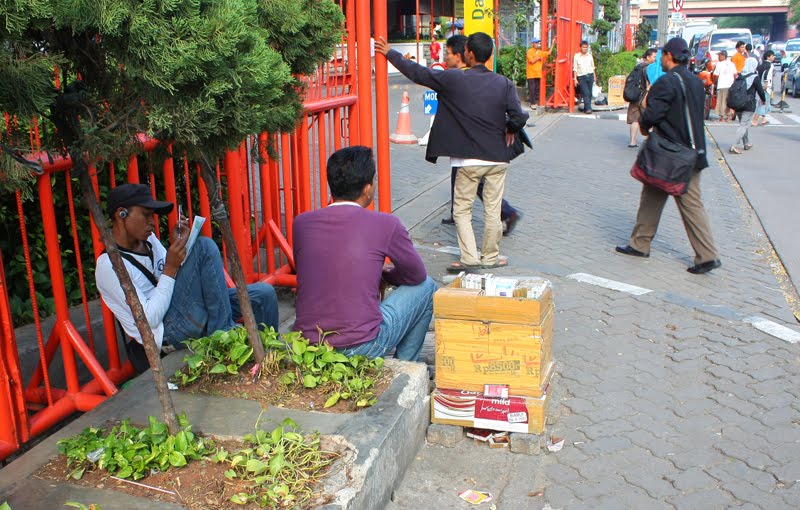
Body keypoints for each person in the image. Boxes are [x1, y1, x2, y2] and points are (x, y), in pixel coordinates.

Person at [376, 33, 529, 273]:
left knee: (462, 210)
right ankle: (491, 257)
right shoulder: (504, 82)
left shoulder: (455, 79)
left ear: (468, 53)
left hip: (469, 160)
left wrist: (390, 54)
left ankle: (469, 258)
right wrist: (510, 128)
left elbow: (418, 73)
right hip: (499, 158)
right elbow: (520, 116)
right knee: (492, 209)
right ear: (489, 55)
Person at [96, 183, 279, 373]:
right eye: (146, 214)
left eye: (153, 215)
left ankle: (268, 360)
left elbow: (173, 281)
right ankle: (223, 340)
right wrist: (170, 266)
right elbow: (148, 318)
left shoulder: (148, 241)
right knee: (204, 247)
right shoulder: (109, 265)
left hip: (181, 312)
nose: (152, 222)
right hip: (165, 333)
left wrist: (178, 247)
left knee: (263, 295)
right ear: (121, 214)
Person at [292, 146, 436, 361]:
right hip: (360, 346)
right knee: (427, 286)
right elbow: (416, 275)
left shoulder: (301, 223)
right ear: (368, 188)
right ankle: (407, 366)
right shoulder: (386, 223)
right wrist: (386, 274)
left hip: (308, 344)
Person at [616, 37, 721, 275]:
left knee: (689, 203)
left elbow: (652, 117)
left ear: (669, 57)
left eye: (663, 55)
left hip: (672, 155)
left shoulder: (667, 83)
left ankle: (707, 255)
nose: (660, 60)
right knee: (652, 195)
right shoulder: (695, 81)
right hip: (692, 151)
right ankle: (639, 243)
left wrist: (643, 116)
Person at [441, 34, 523, 236]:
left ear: (463, 54)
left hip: (474, 149)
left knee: (474, 187)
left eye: (448, 53)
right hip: (483, 151)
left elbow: (518, 116)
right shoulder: (495, 81)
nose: (445, 57)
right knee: (477, 188)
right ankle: (491, 243)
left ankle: (506, 213)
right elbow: (518, 114)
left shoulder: (462, 79)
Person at [729, 57, 766, 154]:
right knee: (743, 125)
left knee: (743, 124)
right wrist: (764, 100)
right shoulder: (755, 77)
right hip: (749, 104)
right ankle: (735, 145)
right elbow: (760, 91)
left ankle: (747, 143)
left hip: (738, 103)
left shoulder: (739, 76)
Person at [627, 48, 658, 148]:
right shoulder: (650, 68)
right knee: (649, 119)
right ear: (648, 57)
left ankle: (632, 141)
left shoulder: (638, 66)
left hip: (634, 96)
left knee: (634, 119)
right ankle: (650, 142)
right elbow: (650, 83)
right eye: (654, 57)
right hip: (645, 97)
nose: (656, 59)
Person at [752, 50, 775, 126]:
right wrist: (766, 82)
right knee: (763, 103)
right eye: (772, 56)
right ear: (768, 57)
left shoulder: (760, 65)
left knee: (764, 103)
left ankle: (764, 119)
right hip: (766, 86)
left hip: (760, 85)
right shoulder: (770, 65)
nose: (773, 57)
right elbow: (767, 74)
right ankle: (755, 120)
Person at [713, 50, 737, 122]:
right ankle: (729, 117)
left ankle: (722, 117)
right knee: (728, 101)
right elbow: (735, 75)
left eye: (719, 55)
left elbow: (715, 75)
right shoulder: (732, 64)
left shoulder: (719, 64)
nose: (718, 57)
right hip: (730, 85)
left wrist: (715, 82)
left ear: (723, 56)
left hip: (722, 85)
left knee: (722, 101)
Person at [573, 40, 596, 114]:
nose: (585, 49)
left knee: (589, 93)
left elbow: (592, 67)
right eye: (583, 47)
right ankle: (589, 108)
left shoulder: (589, 56)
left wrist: (594, 76)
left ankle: (586, 108)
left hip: (590, 75)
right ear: (580, 47)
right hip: (581, 77)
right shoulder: (576, 56)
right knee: (585, 92)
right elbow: (575, 68)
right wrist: (575, 79)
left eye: (586, 47)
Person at [526, 38, 550, 107]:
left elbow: (548, 53)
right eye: (536, 43)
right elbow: (532, 61)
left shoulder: (539, 52)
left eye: (538, 43)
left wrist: (553, 43)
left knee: (536, 89)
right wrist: (538, 58)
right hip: (531, 74)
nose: (537, 44)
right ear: (532, 44)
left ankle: (535, 102)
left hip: (538, 74)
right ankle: (532, 103)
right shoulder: (529, 51)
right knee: (532, 89)